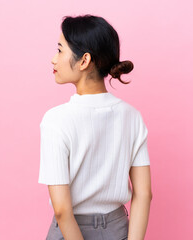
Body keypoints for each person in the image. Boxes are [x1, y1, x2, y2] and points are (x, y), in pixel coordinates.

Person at [38, 14, 152, 240]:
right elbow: (144, 194)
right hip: (118, 229)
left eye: (60, 50)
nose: (53, 59)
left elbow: (61, 209)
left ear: (84, 60)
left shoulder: (56, 120)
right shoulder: (132, 117)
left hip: (70, 232)